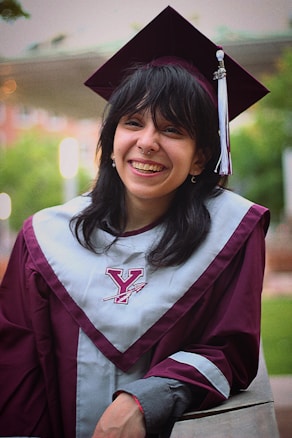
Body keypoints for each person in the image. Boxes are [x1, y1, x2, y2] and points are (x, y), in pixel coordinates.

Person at [0, 6, 270, 438]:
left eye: (173, 130)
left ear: (201, 155)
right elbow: (16, 371)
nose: (147, 143)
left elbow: (229, 351)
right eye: (132, 123)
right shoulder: (43, 239)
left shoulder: (234, 231)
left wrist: (148, 398)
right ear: (110, 143)